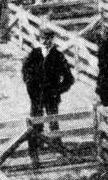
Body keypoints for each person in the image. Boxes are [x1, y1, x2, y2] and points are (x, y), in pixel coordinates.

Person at [22, 28, 75, 158]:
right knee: (36, 122)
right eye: (43, 39)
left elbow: (69, 78)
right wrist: (31, 89)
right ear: (39, 39)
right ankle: (35, 149)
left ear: (53, 40)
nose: (46, 41)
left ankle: (58, 146)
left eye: (49, 39)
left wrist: (57, 91)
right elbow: (25, 73)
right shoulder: (34, 54)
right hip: (36, 96)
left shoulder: (58, 55)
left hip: (52, 97)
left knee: (53, 122)